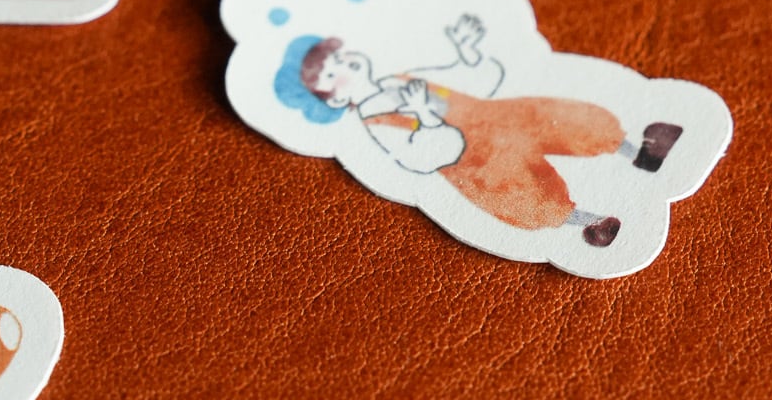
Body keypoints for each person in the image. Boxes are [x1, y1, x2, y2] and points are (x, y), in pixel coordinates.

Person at [275, 14, 682, 249]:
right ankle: (593, 224)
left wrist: (467, 55)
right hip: (479, 163)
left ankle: (639, 151)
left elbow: (466, 80)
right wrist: (425, 117)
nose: (344, 66)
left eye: (341, 58)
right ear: (333, 99)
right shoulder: (376, 120)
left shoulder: (403, 79)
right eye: (332, 73)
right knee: (529, 196)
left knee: (566, 118)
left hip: (502, 117)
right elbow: (422, 157)